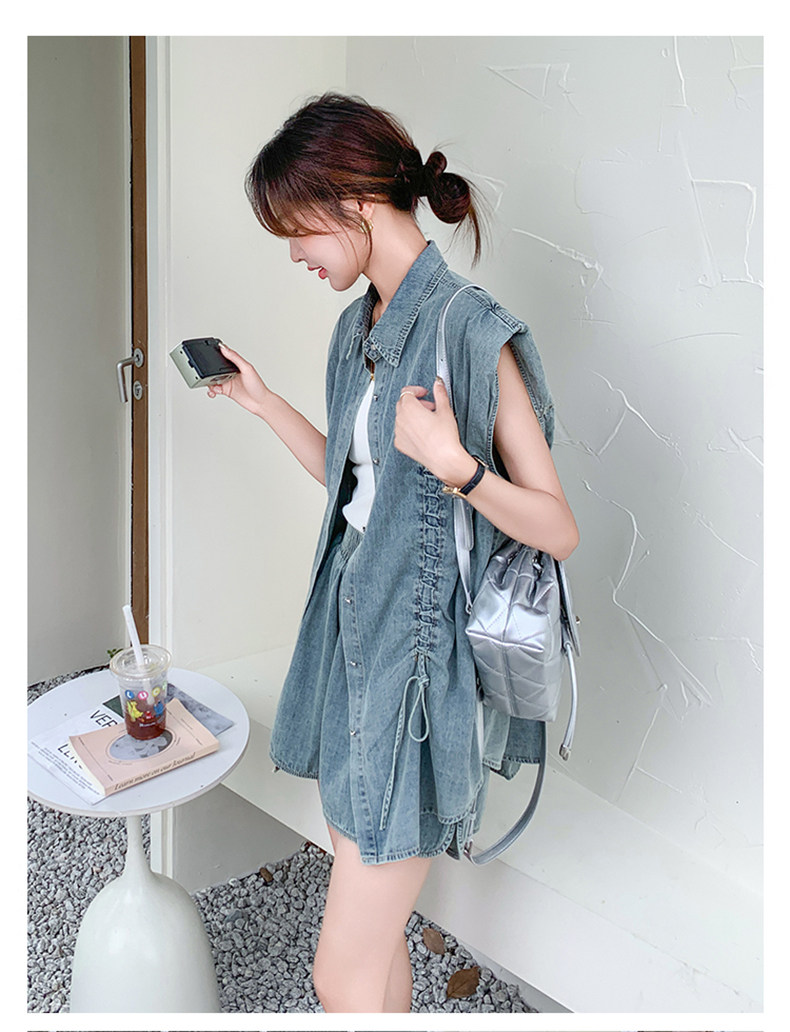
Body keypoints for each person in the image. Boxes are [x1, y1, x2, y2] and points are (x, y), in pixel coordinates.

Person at [207, 92, 579, 1013]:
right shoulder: (358, 329)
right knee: (374, 957)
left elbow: (557, 527)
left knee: (338, 974)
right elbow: (353, 487)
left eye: (298, 228)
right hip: (350, 648)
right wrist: (262, 401)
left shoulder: (470, 330)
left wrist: (459, 468)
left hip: (417, 680)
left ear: (354, 203)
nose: (294, 253)